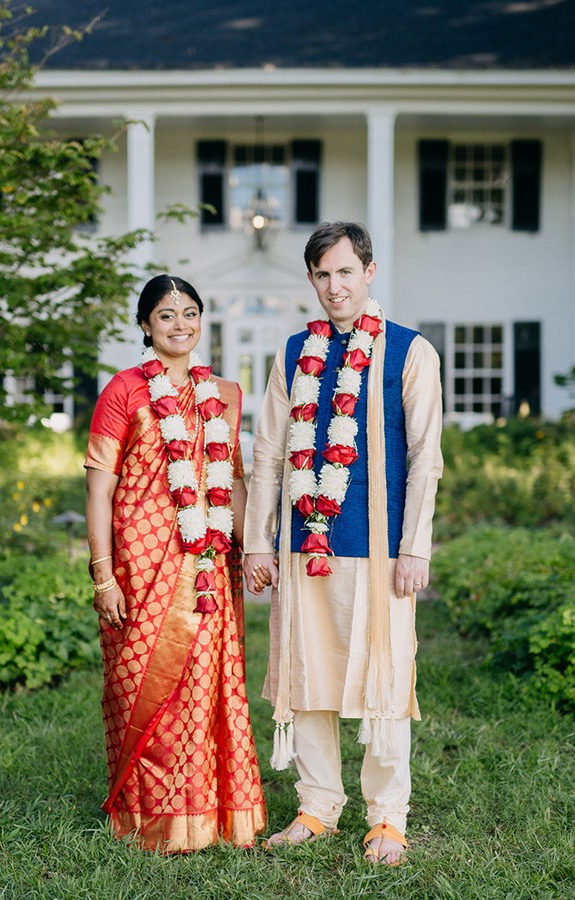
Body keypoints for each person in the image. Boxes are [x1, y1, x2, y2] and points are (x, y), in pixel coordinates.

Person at [243, 222, 443, 865]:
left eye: (346, 272)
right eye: (323, 275)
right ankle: (317, 806)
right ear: (311, 280)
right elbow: (269, 453)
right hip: (306, 545)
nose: (335, 286)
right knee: (309, 676)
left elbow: (425, 457)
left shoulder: (410, 351)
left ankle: (387, 818)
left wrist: (415, 546)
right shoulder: (293, 351)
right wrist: (258, 543)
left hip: (380, 547)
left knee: (384, 679)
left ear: (369, 271)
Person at [85, 274, 266, 852]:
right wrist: (103, 572)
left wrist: (252, 549)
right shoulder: (123, 391)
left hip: (210, 562)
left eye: (190, 312)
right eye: (167, 315)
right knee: (140, 683)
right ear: (145, 325)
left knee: (205, 686)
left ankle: (208, 815)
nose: (180, 324)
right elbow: (98, 489)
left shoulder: (224, 394)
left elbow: (232, 479)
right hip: (141, 564)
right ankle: (148, 818)